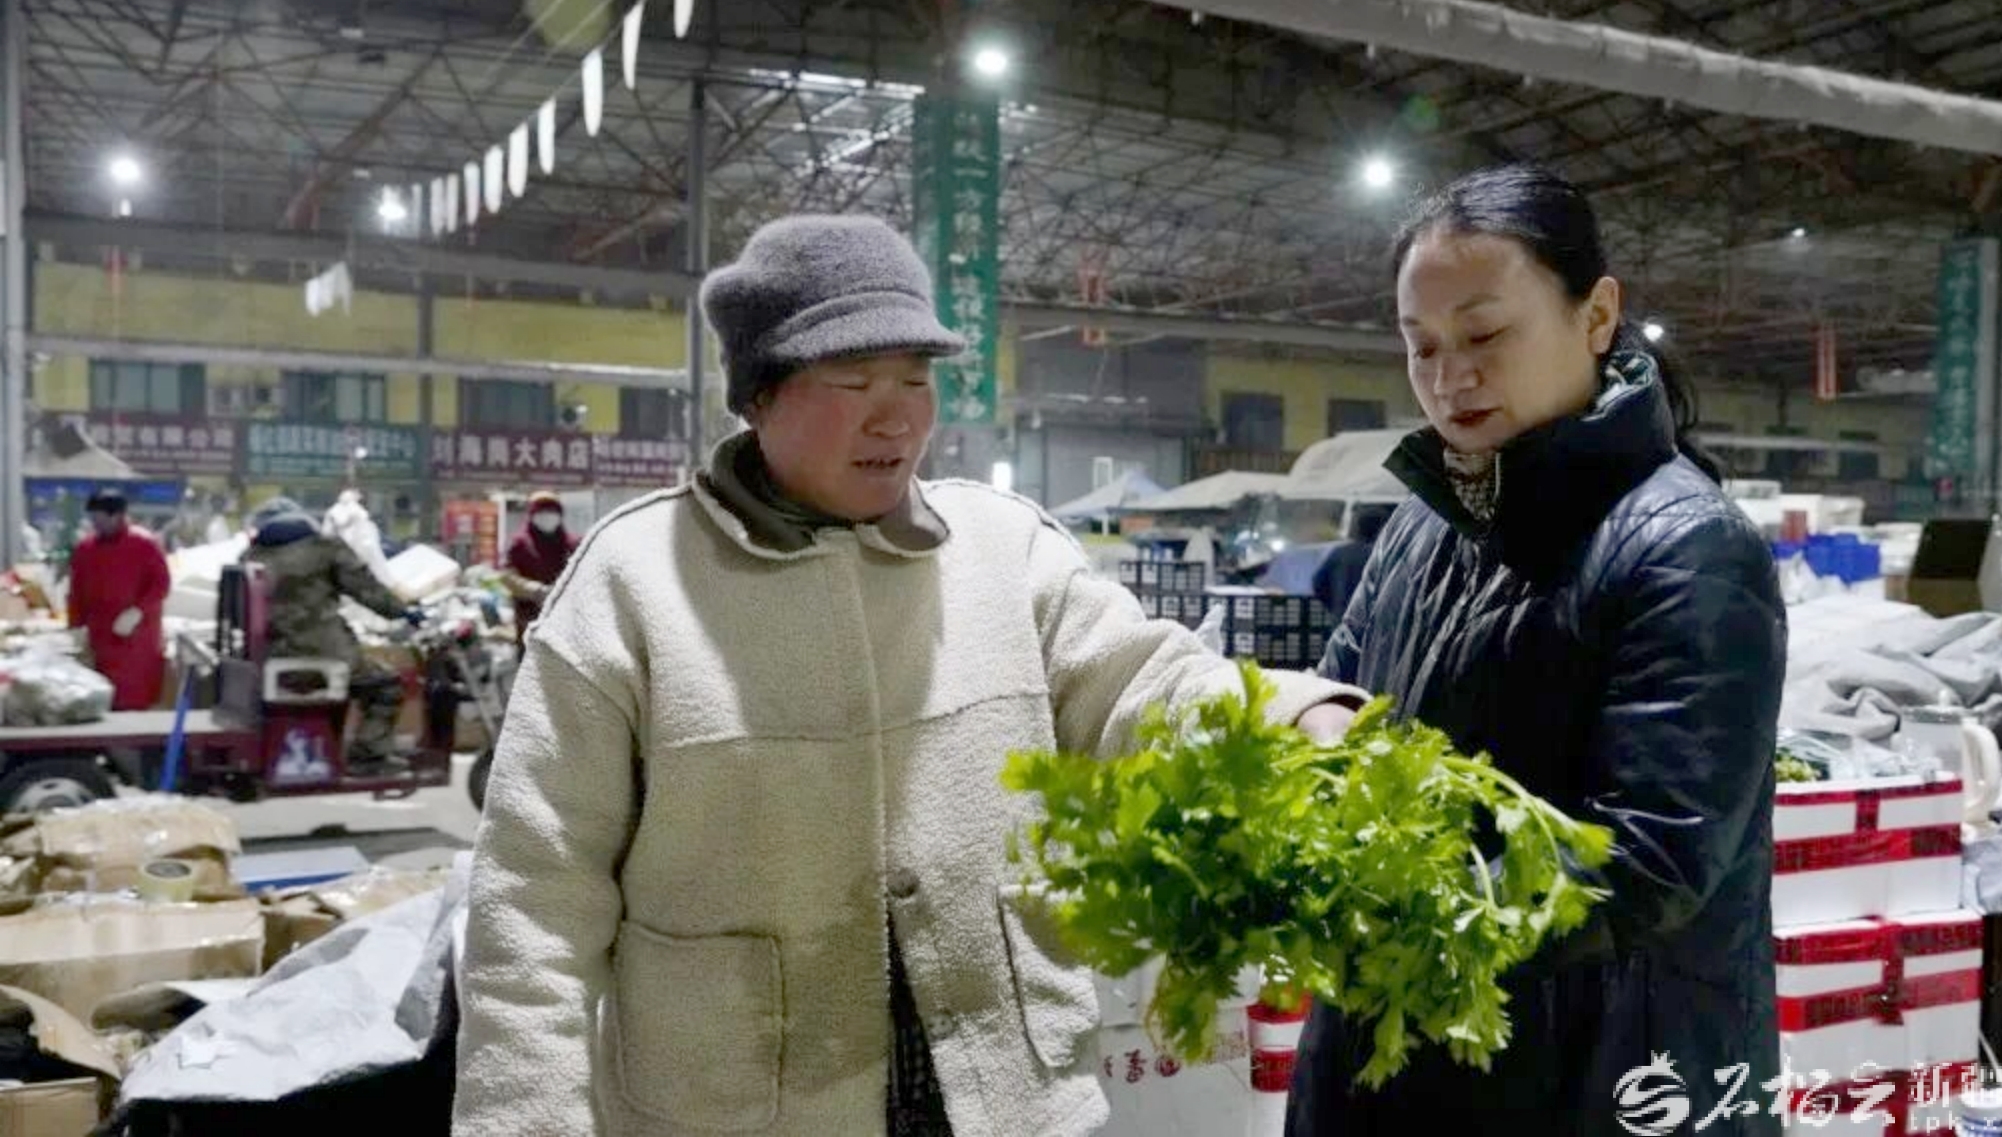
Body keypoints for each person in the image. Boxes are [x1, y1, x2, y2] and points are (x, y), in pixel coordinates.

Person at [453, 214, 1362, 1137]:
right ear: (759, 398)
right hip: (739, 1109)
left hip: (1006, 1099)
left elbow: (1143, 683)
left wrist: (1295, 717)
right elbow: (534, 900)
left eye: (916, 381)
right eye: (854, 382)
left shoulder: (1002, 549)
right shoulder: (635, 581)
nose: (894, 417)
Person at [1287, 165, 1786, 1135]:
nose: (1449, 376)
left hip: (1589, 1078)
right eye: (1421, 345)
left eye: (1484, 335)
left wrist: (1396, 893)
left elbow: (1650, 864)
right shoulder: (1419, 527)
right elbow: (1334, 701)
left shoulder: (1688, 546)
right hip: (1388, 1063)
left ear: (1596, 315)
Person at [243, 498, 418, 775]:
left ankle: (331, 747)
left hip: (268, 662)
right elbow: (369, 591)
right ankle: (368, 756)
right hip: (325, 658)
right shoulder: (325, 549)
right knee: (387, 685)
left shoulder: (250, 558)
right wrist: (406, 612)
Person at [66, 490, 171, 710]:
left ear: (118, 516)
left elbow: (161, 584)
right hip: (100, 635)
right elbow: (76, 591)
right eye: (93, 518)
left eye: (101, 518)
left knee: (134, 696)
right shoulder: (86, 549)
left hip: (137, 637)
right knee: (102, 696)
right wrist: (75, 626)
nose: (96, 524)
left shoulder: (144, 544)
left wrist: (138, 611)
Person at [503, 492, 580, 642]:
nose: (547, 516)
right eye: (541, 512)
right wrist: (535, 590)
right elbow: (506, 575)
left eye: (552, 511)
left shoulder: (572, 544)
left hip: (566, 620)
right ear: (532, 515)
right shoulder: (519, 544)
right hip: (529, 619)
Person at [1309, 504, 1391, 621]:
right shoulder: (1384, 556)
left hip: (1343, 619)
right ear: (1382, 529)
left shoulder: (1340, 553)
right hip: (1375, 622)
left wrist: (1334, 607)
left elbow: (1318, 583)